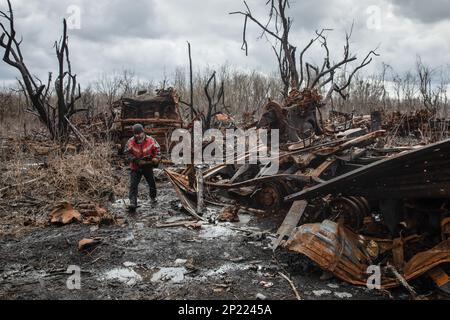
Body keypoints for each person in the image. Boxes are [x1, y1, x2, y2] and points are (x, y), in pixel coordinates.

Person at [124, 124, 161, 211]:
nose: (138, 135)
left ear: (143, 132)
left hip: (148, 166)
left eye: (139, 133)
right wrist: (136, 160)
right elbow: (126, 153)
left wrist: (156, 158)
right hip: (135, 166)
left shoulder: (151, 140)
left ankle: (153, 198)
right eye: (136, 134)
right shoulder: (130, 142)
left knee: (151, 183)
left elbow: (158, 150)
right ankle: (133, 203)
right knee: (133, 185)